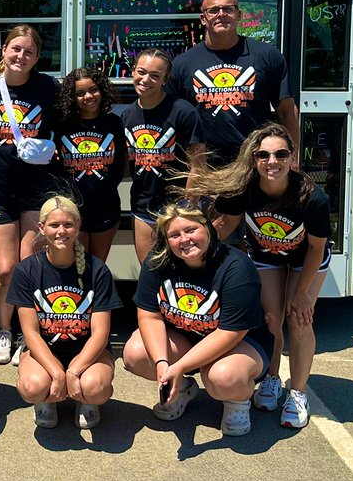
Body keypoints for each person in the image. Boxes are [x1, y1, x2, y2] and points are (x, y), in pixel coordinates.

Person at [201, 123, 332, 429]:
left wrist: (302, 293)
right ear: (254, 158)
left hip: (306, 259)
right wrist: (198, 245)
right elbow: (227, 223)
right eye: (264, 155)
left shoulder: (313, 198)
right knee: (272, 319)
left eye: (280, 154)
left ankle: (298, 392)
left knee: (299, 317)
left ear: (292, 157)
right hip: (266, 255)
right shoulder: (245, 189)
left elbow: (316, 247)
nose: (272, 161)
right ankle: (272, 378)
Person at [121, 200, 273, 437]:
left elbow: (230, 333)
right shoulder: (157, 261)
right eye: (174, 235)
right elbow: (150, 317)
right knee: (135, 353)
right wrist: (163, 363)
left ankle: (237, 401)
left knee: (223, 376)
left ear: (207, 228)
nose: (184, 239)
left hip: (239, 343)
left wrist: (180, 366)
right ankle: (182, 388)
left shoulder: (237, 267)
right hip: (186, 336)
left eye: (191, 230)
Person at [0, 25, 63, 366]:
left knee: (30, 266)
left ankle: (27, 333)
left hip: (38, 190)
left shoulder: (47, 87)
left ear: (37, 58)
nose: (21, 56)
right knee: (7, 269)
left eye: (29, 52)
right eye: (16, 49)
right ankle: (5, 330)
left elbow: (64, 127)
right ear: (4, 50)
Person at [7, 195, 119, 429]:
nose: (61, 231)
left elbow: (101, 334)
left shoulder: (97, 270)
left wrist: (74, 371)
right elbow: (31, 333)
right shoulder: (27, 270)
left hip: (87, 350)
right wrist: (57, 373)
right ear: (41, 228)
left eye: (68, 224)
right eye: (54, 225)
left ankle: (86, 400)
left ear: (78, 226)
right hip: (46, 348)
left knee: (96, 388)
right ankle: (46, 399)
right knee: (32, 387)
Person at [167, 0, 299, 167]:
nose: (221, 14)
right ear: (203, 18)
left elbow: (286, 111)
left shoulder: (267, 56)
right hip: (204, 165)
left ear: (239, 15)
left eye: (228, 9)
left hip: (256, 162)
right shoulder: (182, 64)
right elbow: (170, 119)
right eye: (214, 10)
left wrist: (292, 158)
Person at [120, 49, 205, 265]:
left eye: (155, 75)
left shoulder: (183, 111)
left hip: (178, 208)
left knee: (184, 270)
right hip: (143, 207)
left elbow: (198, 164)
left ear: (165, 80)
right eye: (141, 72)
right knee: (150, 270)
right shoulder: (127, 115)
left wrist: (188, 206)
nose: (146, 79)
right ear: (133, 72)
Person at [55, 67, 126, 262]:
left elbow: (124, 163)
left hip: (106, 208)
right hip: (72, 208)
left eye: (93, 90)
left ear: (102, 90)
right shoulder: (62, 125)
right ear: (72, 97)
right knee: (76, 264)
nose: (88, 97)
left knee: (97, 265)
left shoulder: (115, 123)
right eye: (80, 93)